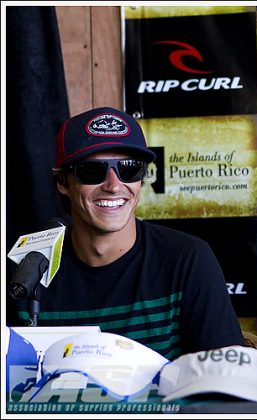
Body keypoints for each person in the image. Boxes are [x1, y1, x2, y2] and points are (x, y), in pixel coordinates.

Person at [7, 107, 244, 360]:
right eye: (92, 170)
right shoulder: (23, 268)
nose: (114, 185)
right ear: (63, 183)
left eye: (129, 168)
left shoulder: (188, 259)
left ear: (141, 180)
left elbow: (228, 377)